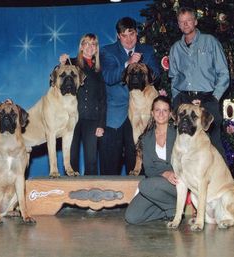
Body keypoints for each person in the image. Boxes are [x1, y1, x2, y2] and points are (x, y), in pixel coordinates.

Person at [99, 16, 160, 175]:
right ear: (118, 36)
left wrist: (141, 68)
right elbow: (109, 77)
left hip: (142, 114)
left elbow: (156, 75)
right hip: (116, 116)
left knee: (138, 166)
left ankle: (138, 199)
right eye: (124, 35)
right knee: (110, 167)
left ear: (136, 33)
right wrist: (128, 64)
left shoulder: (147, 50)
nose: (128, 39)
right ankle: (108, 200)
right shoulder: (107, 51)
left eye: (131, 34)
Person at [169, 7, 229, 161]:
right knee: (184, 146)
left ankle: (222, 183)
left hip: (208, 100)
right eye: (182, 22)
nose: (185, 24)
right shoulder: (175, 49)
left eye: (188, 20)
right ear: (178, 24)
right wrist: (177, 99)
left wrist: (214, 98)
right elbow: (174, 77)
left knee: (214, 145)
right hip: (184, 100)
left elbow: (223, 73)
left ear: (195, 21)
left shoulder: (210, 42)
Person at [125, 96, 177, 224]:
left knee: (144, 185)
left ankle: (172, 210)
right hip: (155, 183)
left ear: (170, 114)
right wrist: (166, 173)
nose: (161, 114)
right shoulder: (146, 138)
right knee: (132, 217)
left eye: (165, 110)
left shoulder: (178, 135)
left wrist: (174, 174)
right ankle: (172, 208)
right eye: (157, 110)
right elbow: (148, 169)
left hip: (176, 182)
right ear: (152, 113)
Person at [59, 33, 106, 175]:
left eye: (93, 44)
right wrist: (61, 65)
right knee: (71, 158)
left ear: (97, 49)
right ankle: (70, 194)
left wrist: (101, 124)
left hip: (93, 119)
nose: (90, 47)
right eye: (86, 43)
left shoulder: (100, 69)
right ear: (81, 47)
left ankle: (91, 194)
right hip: (72, 117)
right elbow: (55, 83)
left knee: (91, 160)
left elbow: (103, 98)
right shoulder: (70, 63)